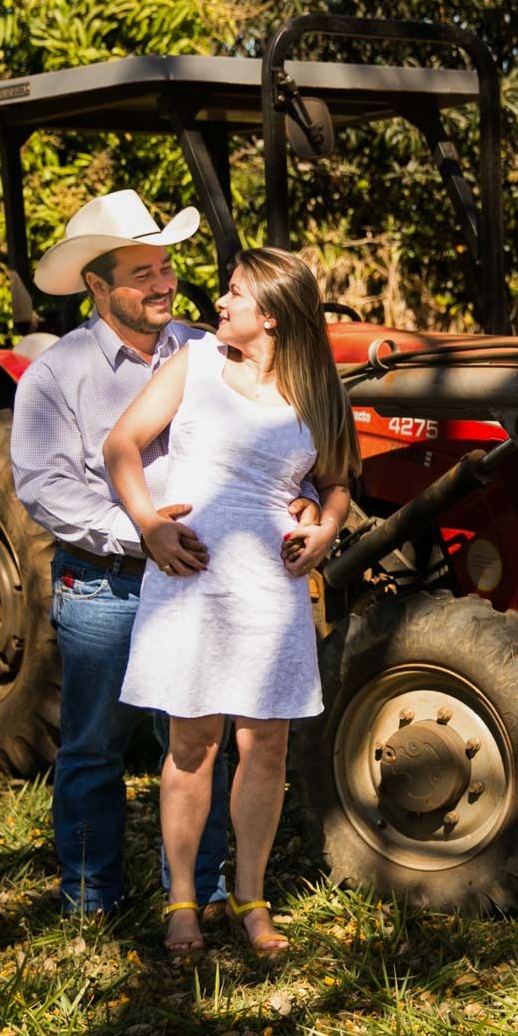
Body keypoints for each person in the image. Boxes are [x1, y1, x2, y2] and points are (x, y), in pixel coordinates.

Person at [11, 190, 324, 916]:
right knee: (95, 746)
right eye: (142, 273)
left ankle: (202, 891)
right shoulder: (59, 374)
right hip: (107, 582)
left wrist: (302, 496)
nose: (164, 284)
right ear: (98, 286)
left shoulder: (209, 346)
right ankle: (92, 896)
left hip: (206, 584)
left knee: (199, 745)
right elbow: (45, 486)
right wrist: (144, 531)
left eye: (165, 267)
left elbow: (271, 438)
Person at [105, 247, 357, 955]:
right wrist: (149, 523)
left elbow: (336, 481)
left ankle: (251, 897)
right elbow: (122, 443)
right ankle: (183, 900)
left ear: (271, 315)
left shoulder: (319, 391)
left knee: (265, 744)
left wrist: (327, 528)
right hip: (190, 580)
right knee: (192, 743)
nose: (219, 300)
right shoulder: (196, 365)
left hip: (268, 590)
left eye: (236, 292)